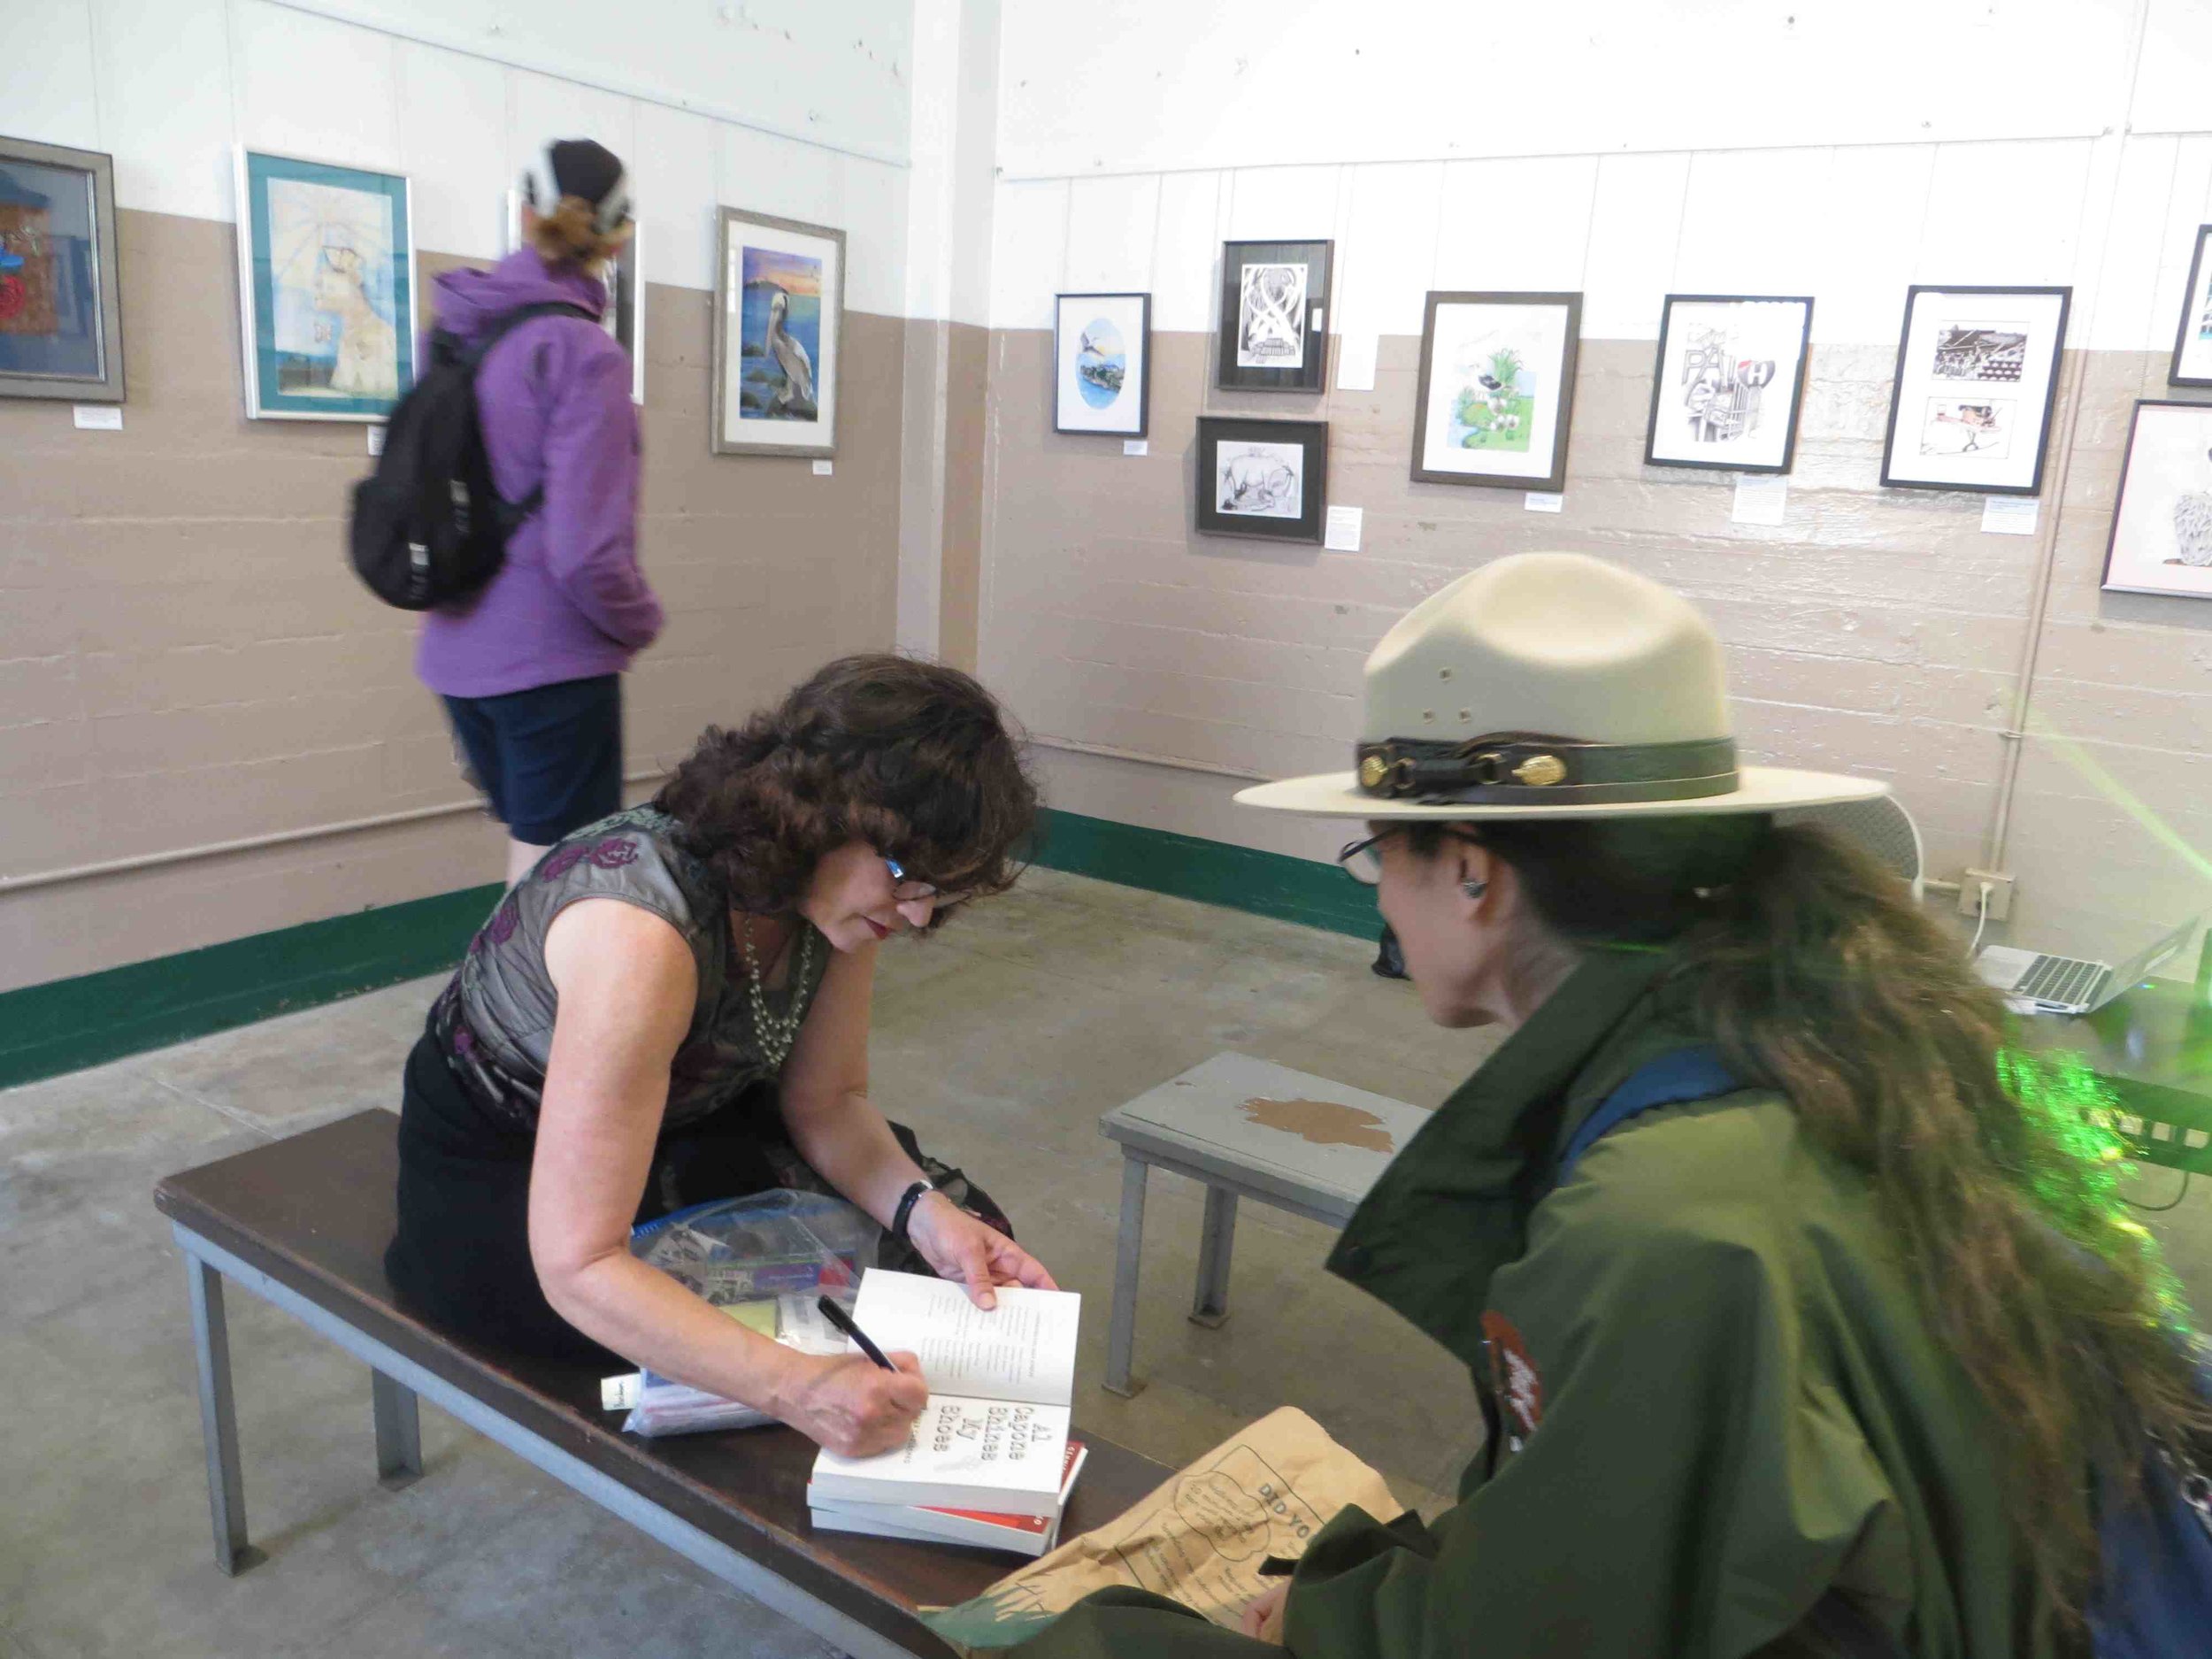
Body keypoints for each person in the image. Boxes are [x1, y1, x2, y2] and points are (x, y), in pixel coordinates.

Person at [1017, 553, 2211, 1655]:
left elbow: (1545, 1630)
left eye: (1378, 851)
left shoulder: (1667, 1217)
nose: (1380, 896)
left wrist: (1327, 1613)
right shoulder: (1807, 1037)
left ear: (1474, 868)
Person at [386, 655, 1056, 1456]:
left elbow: (827, 1101)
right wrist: (798, 1386)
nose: (917, 916)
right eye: (909, 878)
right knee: (775, 1338)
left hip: (681, 1118)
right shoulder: (641, 932)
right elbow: (578, 1261)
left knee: (947, 1249)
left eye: (940, 893)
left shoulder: (839, 895)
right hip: (508, 1174)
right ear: (824, 814)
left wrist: (926, 1212)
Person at [418, 137, 663, 887]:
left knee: (532, 856)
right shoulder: (585, 353)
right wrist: (638, 619)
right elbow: (586, 553)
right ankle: (519, 1009)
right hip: (551, 660)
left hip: (455, 654)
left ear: (524, 213)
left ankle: (516, 1004)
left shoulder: (455, 331)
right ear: (620, 237)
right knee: (559, 884)